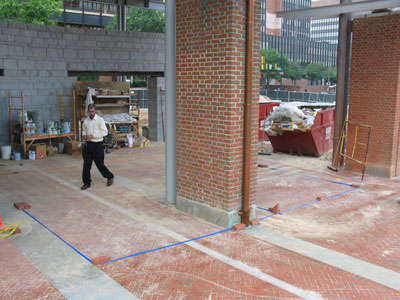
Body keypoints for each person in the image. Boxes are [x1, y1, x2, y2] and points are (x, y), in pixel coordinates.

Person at [81, 104, 114, 190]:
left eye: (93, 111)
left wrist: (93, 135)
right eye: (90, 112)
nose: (91, 113)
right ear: (88, 111)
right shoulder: (86, 121)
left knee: (99, 164)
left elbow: (104, 132)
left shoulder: (100, 120)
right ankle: (86, 183)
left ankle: (109, 176)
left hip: (97, 145)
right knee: (86, 165)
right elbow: (83, 130)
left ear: (95, 111)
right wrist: (84, 135)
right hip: (88, 145)